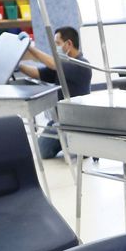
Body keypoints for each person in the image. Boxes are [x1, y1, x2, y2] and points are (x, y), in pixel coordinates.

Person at [19, 26, 93, 158]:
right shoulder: (61, 65)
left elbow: (54, 63)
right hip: (59, 120)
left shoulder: (82, 64)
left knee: (78, 150)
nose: (54, 48)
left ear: (69, 44)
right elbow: (37, 73)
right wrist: (17, 65)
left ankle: (79, 143)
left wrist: (29, 47)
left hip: (77, 121)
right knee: (42, 151)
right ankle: (68, 143)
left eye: (57, 44)